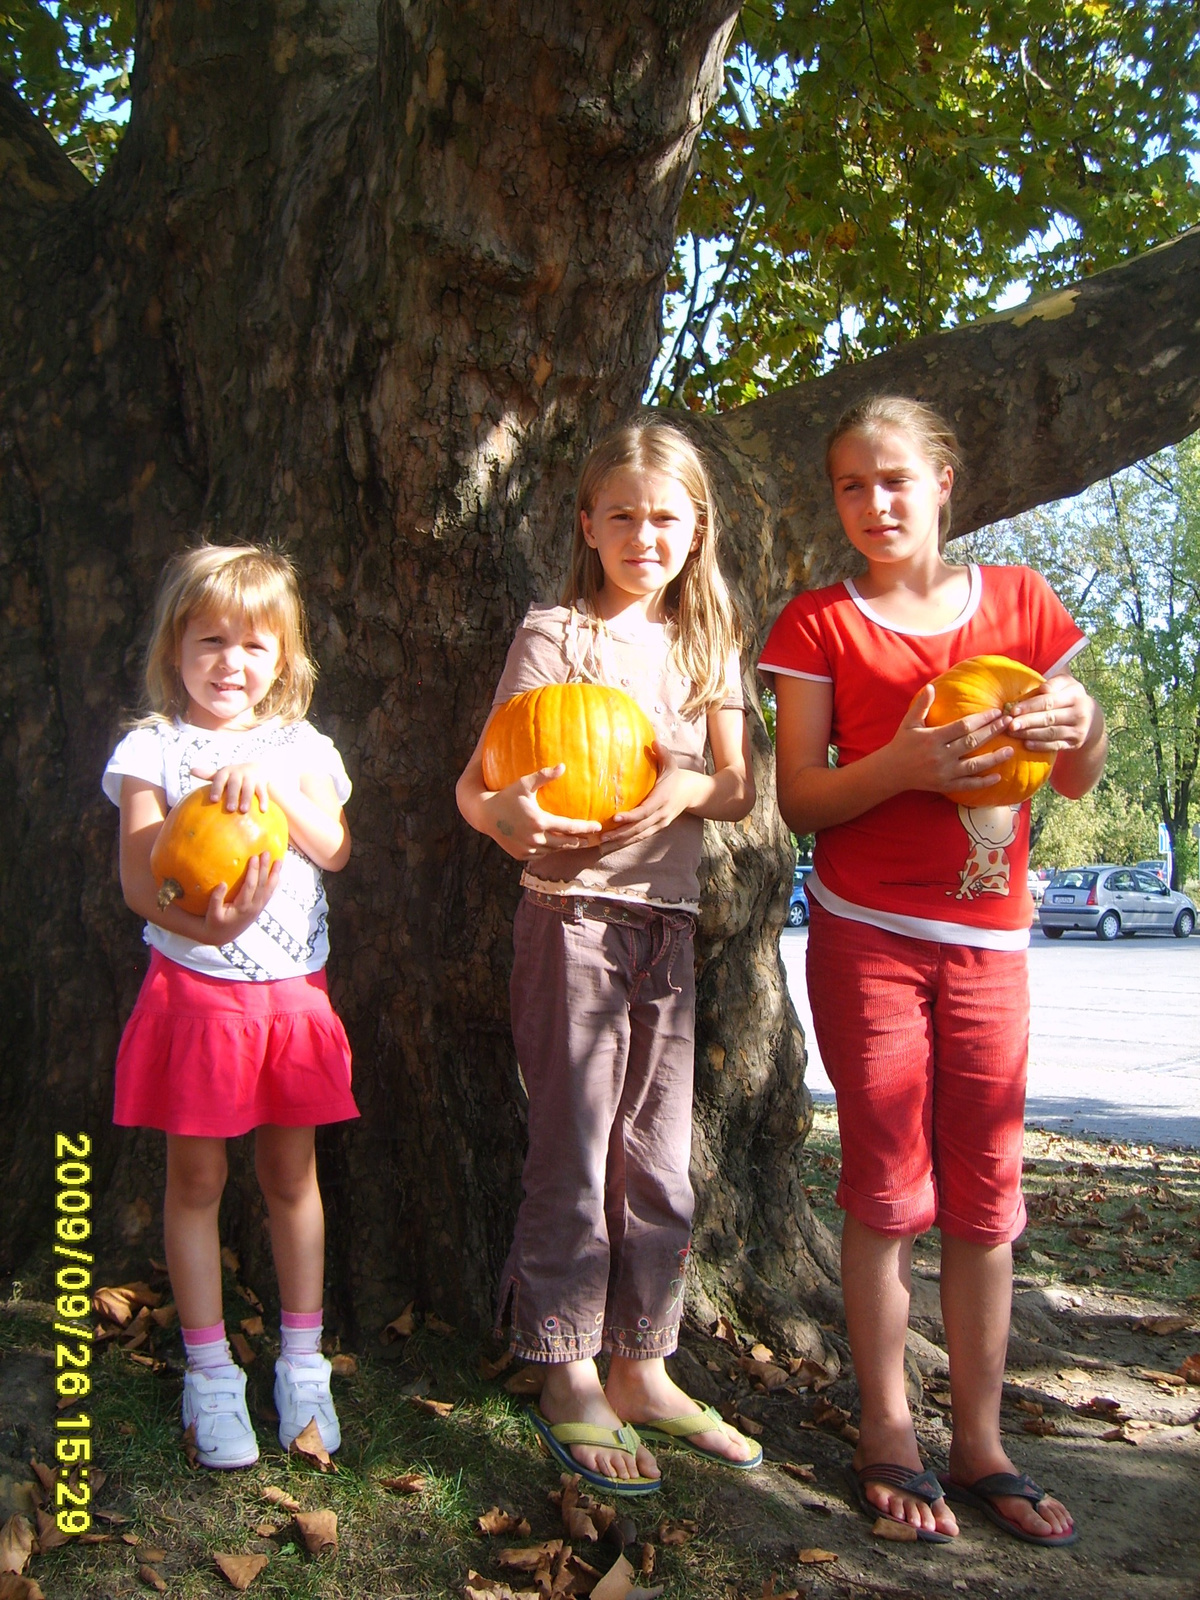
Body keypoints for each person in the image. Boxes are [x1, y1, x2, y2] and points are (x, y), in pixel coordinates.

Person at [761, 396, 1107, 1548]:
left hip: (992, 943)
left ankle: (983, 1441)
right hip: (866, 931)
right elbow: (801, 797)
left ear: (946, 479)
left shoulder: (1018, 605)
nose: (876, 503)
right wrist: (902, 761)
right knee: (887, 1187)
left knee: (986, 1198)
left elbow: (1077, 774)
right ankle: (887, 1428)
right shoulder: (818, 624)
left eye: (897, 480)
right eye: (853, 486)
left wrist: (1085, 713)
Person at [457, 420, 760, 1494]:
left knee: (660, 1160)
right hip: (572, 915)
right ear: (587, 525)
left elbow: (738, 785)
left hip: (666, 926)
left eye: (665, 516)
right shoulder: (555, 635)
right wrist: (510, 818)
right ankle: (565, 1363)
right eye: (622, 514)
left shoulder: (703, 643)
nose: (644, 533)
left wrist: (689, 788)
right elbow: (476, 787)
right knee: (576, 1149)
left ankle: (644, 1362)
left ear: (696, 529)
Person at [103, 544, 357, 1470]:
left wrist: (274, 781)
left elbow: (333, 847)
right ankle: (209, 1373)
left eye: (254, 646)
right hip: (193, 993)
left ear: (284, 658)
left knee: (292, 1178)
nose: (230, 663)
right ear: (176, 647)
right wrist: (204, 930)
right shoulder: (152, 749)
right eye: (210, 641)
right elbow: (141, 884)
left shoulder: (303, 747)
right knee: (196, 1183)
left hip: (291, 993)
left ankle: (301, 1362)